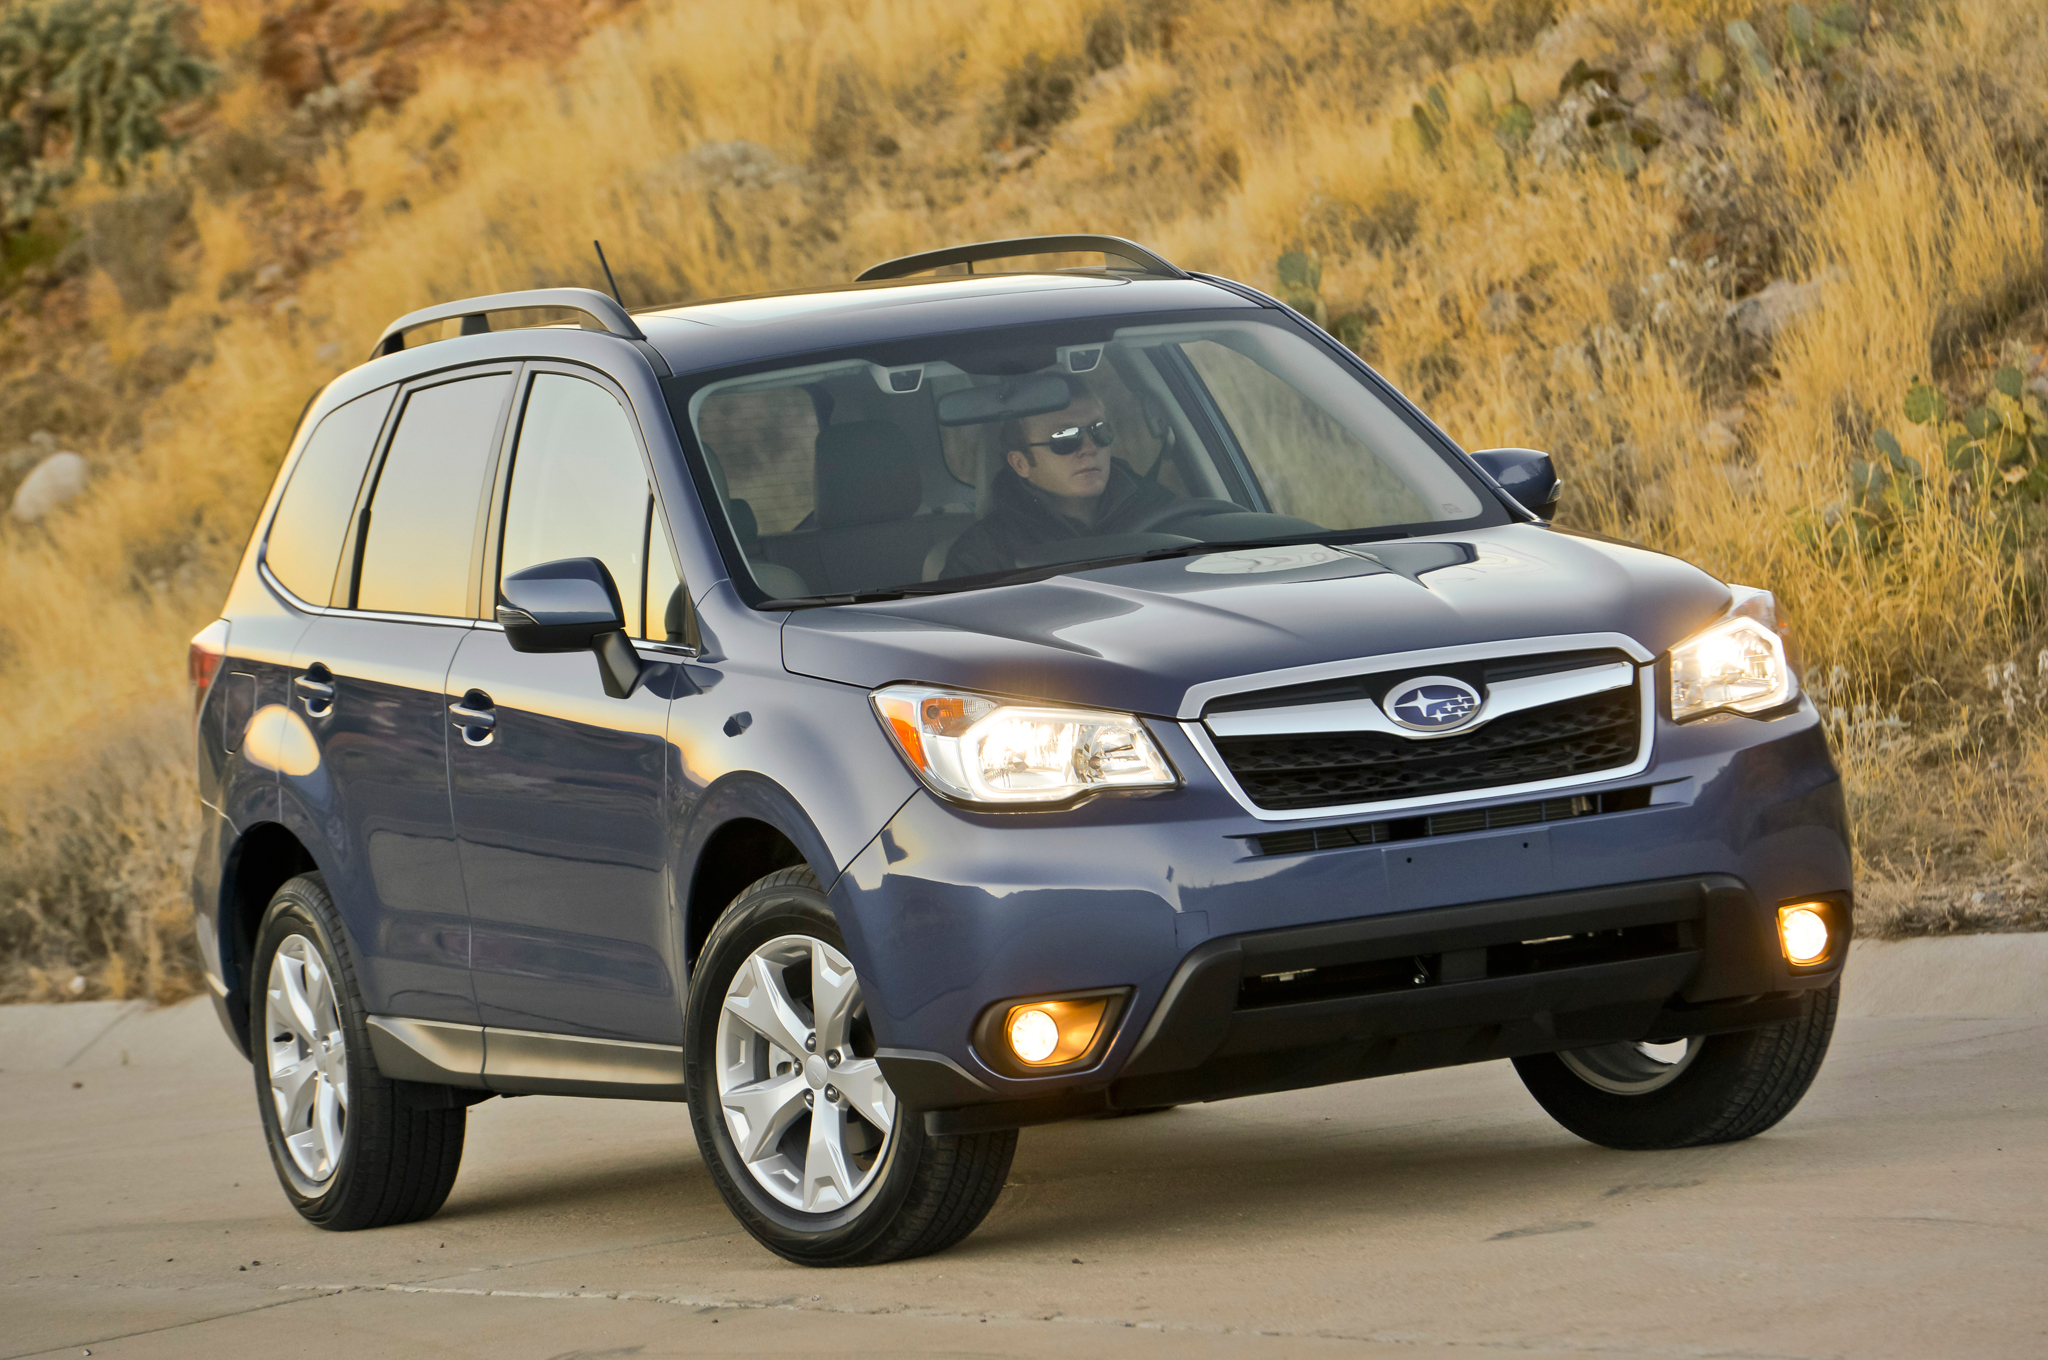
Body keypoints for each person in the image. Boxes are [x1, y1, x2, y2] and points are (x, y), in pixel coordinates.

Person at [941, 379, 1180, 578]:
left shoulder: (1162, 510)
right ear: (1020, 463)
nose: (1089, 447)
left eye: (1099, 430)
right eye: (1064, 437)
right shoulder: (983, 553)